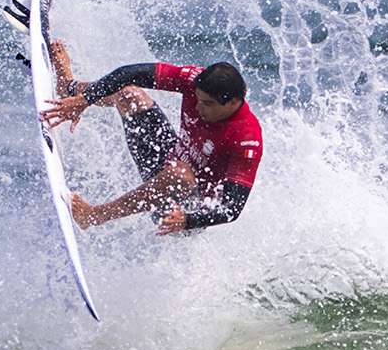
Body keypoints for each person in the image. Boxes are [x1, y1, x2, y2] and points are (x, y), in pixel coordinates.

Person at [39, 41, 263, 234]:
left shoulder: (246, 138)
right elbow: (130, 73)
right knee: (128, 93)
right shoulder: (193, 80)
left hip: (183, 210)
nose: (198, 106)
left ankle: (95, 215)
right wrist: (86, 100)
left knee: (181, 175)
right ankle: (69, 89)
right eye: (197, 99)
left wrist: (187, 221)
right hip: (166, 160)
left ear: (233, 103)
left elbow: (231, 209)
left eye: (207, 104)